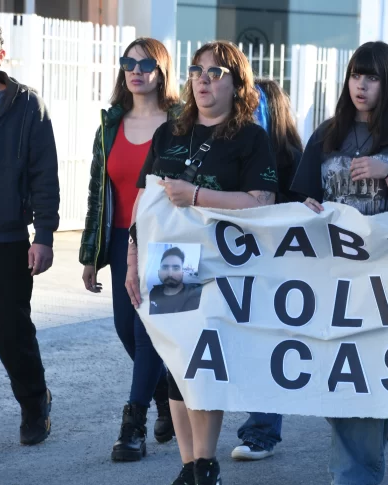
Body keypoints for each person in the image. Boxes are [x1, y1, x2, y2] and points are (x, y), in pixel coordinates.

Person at [126, 40, 278, 485]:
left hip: (222, 263)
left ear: (237, 83)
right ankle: (190, 465)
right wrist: (133, 258)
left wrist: (197, 196)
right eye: (197, 71)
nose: (203, 80)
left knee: (204, 360)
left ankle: (206, 463)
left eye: (215, 73)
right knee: (178, 360)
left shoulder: (251, 137)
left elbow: (261, 202)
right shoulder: (170, 133)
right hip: (172, 259)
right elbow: (144, 202)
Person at [291, 41, 388, 485]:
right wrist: (307, 206)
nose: (361, 85)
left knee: (364, 377)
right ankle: (360, 459)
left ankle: (354, 475)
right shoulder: (326, 133)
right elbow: (300, 200)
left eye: (372, 77)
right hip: (331, 276)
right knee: (337, 378)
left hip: (384, 278)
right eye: (355, 75)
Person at [79, 37, 179, 461]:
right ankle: (166, 398)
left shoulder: (181, 123)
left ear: (162, 71)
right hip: (122, 239)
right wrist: (90, 255)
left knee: (147, 331)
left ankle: (132, 426)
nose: (136, 71)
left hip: (169, 241)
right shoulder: (110, 126)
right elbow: (97, 192)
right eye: (128, 63)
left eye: (146, 64)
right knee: (125, 327)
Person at [0, 18, 59, 446]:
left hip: (2, 238)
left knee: (11, 332)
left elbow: (45, 175)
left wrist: (44, 235)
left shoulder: (25, 105)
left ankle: (34, 401)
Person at [229, 78, 304, 462]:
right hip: (236, 263)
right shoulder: (237, 151)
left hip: (277, 266)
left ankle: (261, 432)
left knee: (267, 346)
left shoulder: (292, 158)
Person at [149, 247, 203, 315]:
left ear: (182, 272)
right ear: (159, 272)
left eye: (176, 268)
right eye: (165, 268)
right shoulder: (154, 292)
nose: (170, 274)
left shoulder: (196, 295)